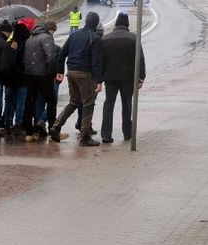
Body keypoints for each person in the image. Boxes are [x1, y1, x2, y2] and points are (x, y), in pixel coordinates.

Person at [50, 11, 103, 146]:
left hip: (71, 72)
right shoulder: (95, 38)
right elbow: (97, 61)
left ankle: (56, 127)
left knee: (73, 102)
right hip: (85, 74)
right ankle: (85, 137)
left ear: (85, 21)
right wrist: (99, 80)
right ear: (96, 24)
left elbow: (62, 54)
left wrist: (60, 71)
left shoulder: (74, 35)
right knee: (88, 104)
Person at [100, 12, 145, 143]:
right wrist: (141, 77)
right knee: (127, 105)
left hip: (110, 78)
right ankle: (127, 133)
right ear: (127, 24)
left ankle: (106, 134)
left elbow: (101, 60)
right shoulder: (133, 38)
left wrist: (99, 78)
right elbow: (140, 59)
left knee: (108, 105)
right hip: (128, 78)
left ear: (116, 23)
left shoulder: (105, 39)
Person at [21, 21, 58, 141]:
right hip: (44, 75)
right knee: (51, 102)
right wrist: (52, 72)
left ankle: (29, 132)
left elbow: (25, 58)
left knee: (30, 102)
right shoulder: (47, 38)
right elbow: (51, 57)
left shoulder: (29, 39)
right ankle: (53, 131)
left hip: (30, 74)